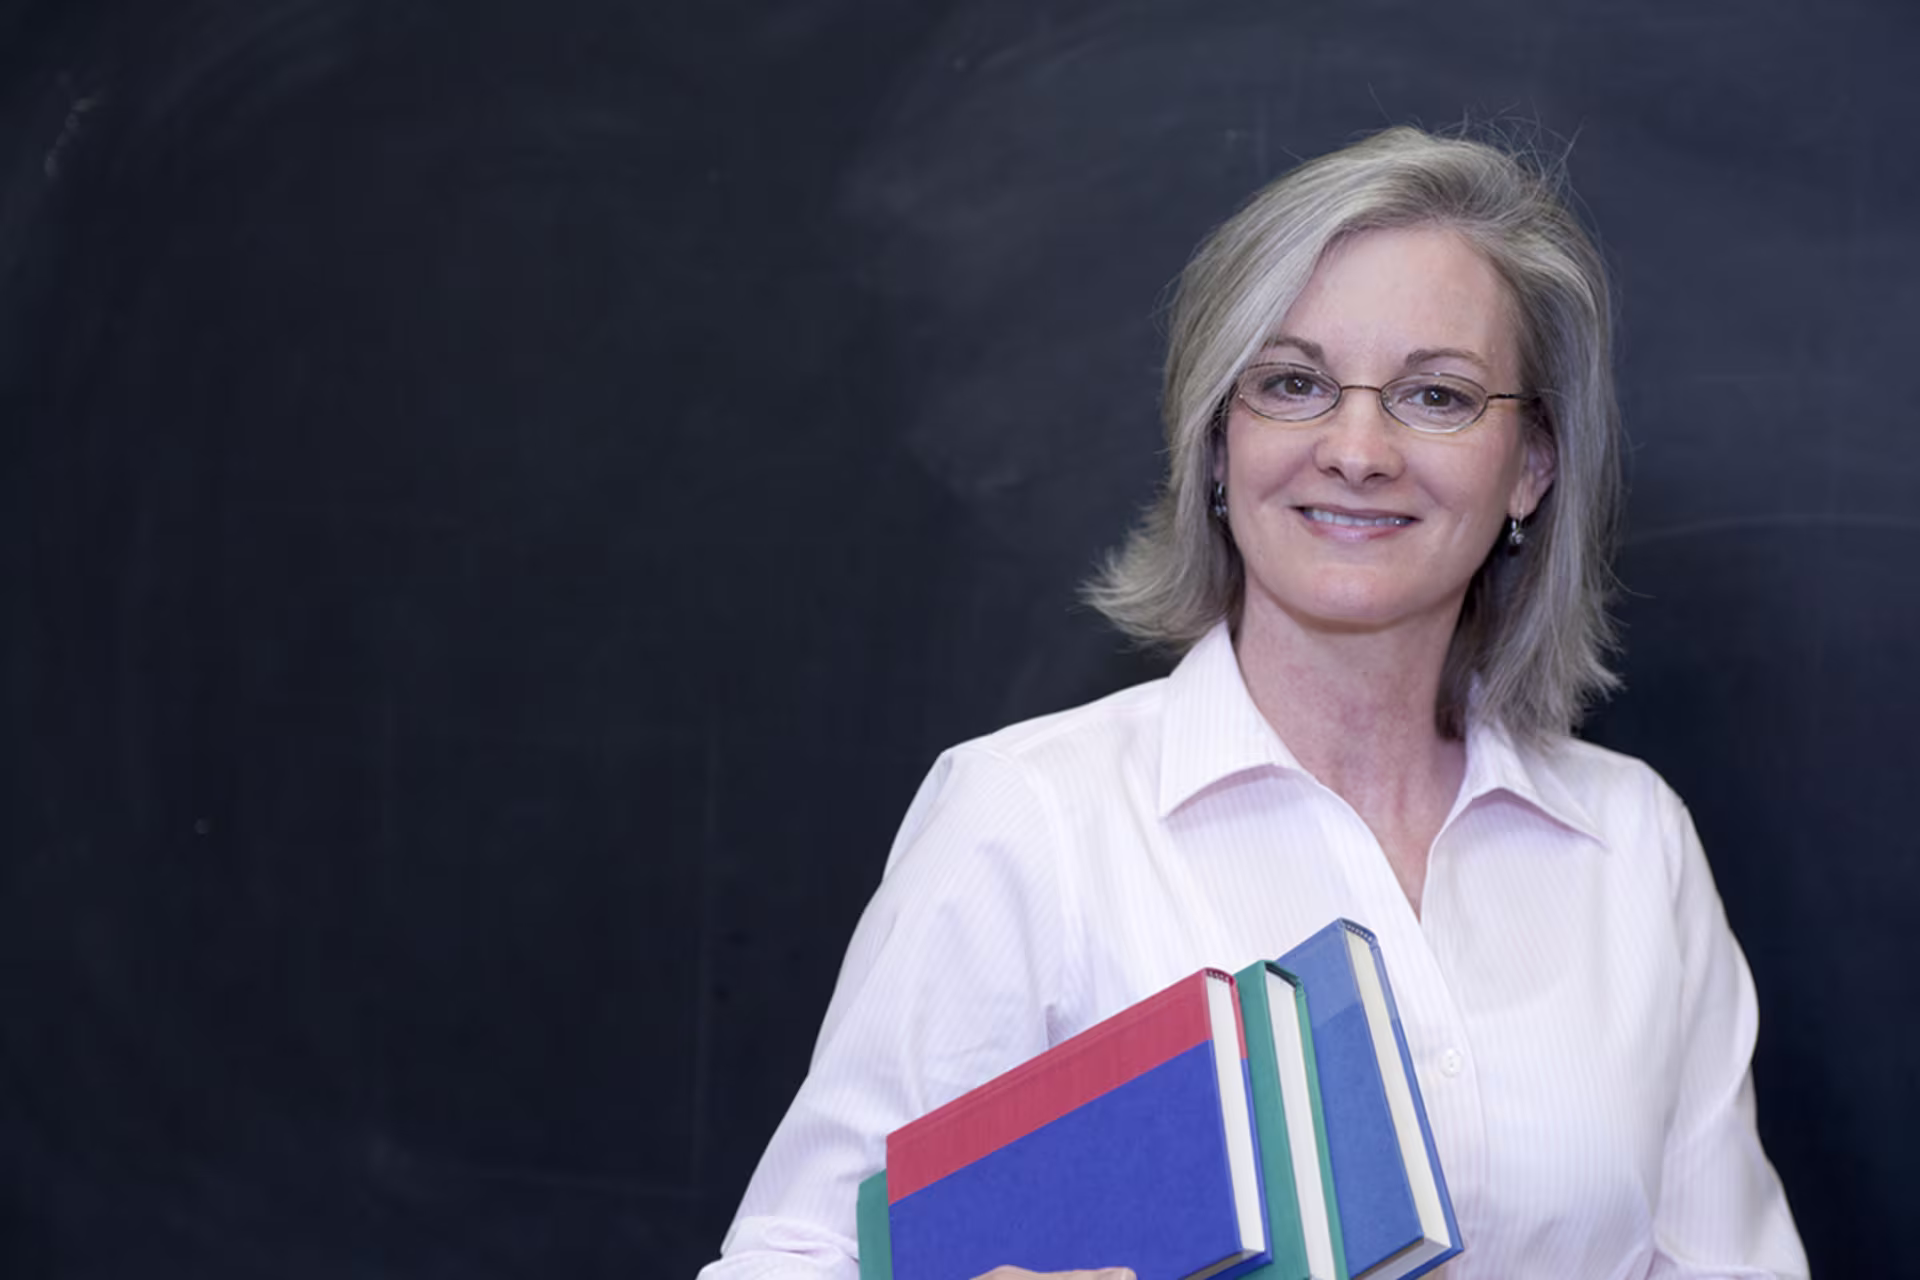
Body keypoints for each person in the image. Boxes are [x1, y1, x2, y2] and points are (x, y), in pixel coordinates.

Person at [697, 126, 1807, 1279]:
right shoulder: (1030, 816)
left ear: (1530, 465)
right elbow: (791, 1256)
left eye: (1437, 393)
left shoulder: (1633, 843)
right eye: (1292, 383)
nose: (1358, 448)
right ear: (1217, 443)